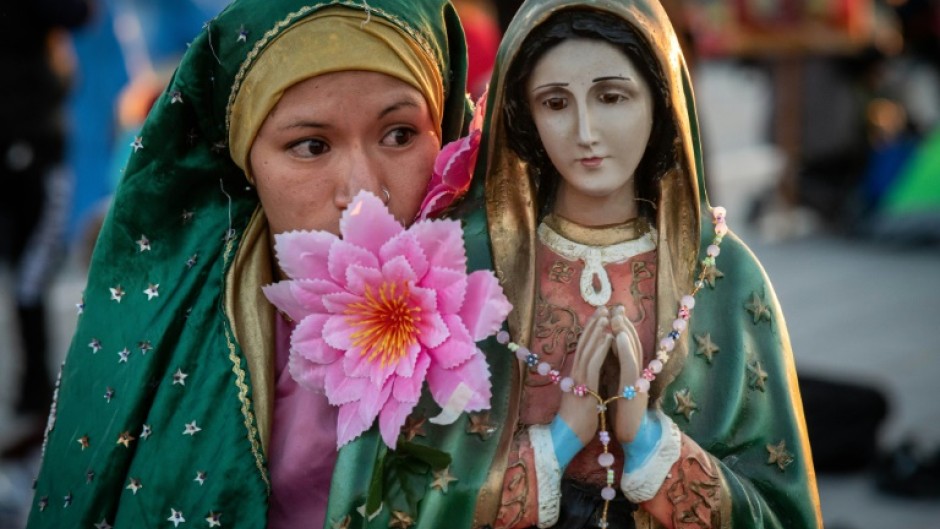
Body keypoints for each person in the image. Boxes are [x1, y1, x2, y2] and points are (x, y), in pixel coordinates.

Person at [25, 0, 471, 527]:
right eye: (311, 145)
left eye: (399, 134)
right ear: (244, 164)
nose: (364, 193)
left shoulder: (513, 301)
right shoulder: (178, 342)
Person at [446, 0, 823, 527]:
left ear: (660, 101)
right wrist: (559, 442)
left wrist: (647, 441)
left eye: (611, 97)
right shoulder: (470, 271)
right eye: (555, 103)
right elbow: (419, 494)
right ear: (524, 116)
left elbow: (780, 510)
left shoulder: (720, 273)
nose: (585, 131)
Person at [0, 0, 92, 458]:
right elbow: (80, 12)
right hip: (31, 142)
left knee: (29, 273)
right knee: (32, 274)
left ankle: (32, 392)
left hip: (27, 139)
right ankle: (35, 393)